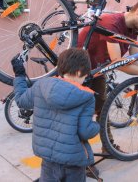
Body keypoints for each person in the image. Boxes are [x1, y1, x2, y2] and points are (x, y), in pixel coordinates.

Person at [77, 0, 138, 151]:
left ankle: (108, 146)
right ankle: (81, 158)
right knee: (82, 114)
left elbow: (134, 60)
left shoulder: (132, 30)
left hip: (96, 69)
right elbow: (117, 62)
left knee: (102, 109)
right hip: (78, 69)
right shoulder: (113, 23)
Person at [11, 48, 100, 182]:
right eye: (85, 75)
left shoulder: (41, 85)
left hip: (48, 160)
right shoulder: (86, 97)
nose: (85, 78)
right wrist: (96, 125)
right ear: (79, 72)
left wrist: (19, 75)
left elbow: (21, 100)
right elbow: (85, 131)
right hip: (73, 161)